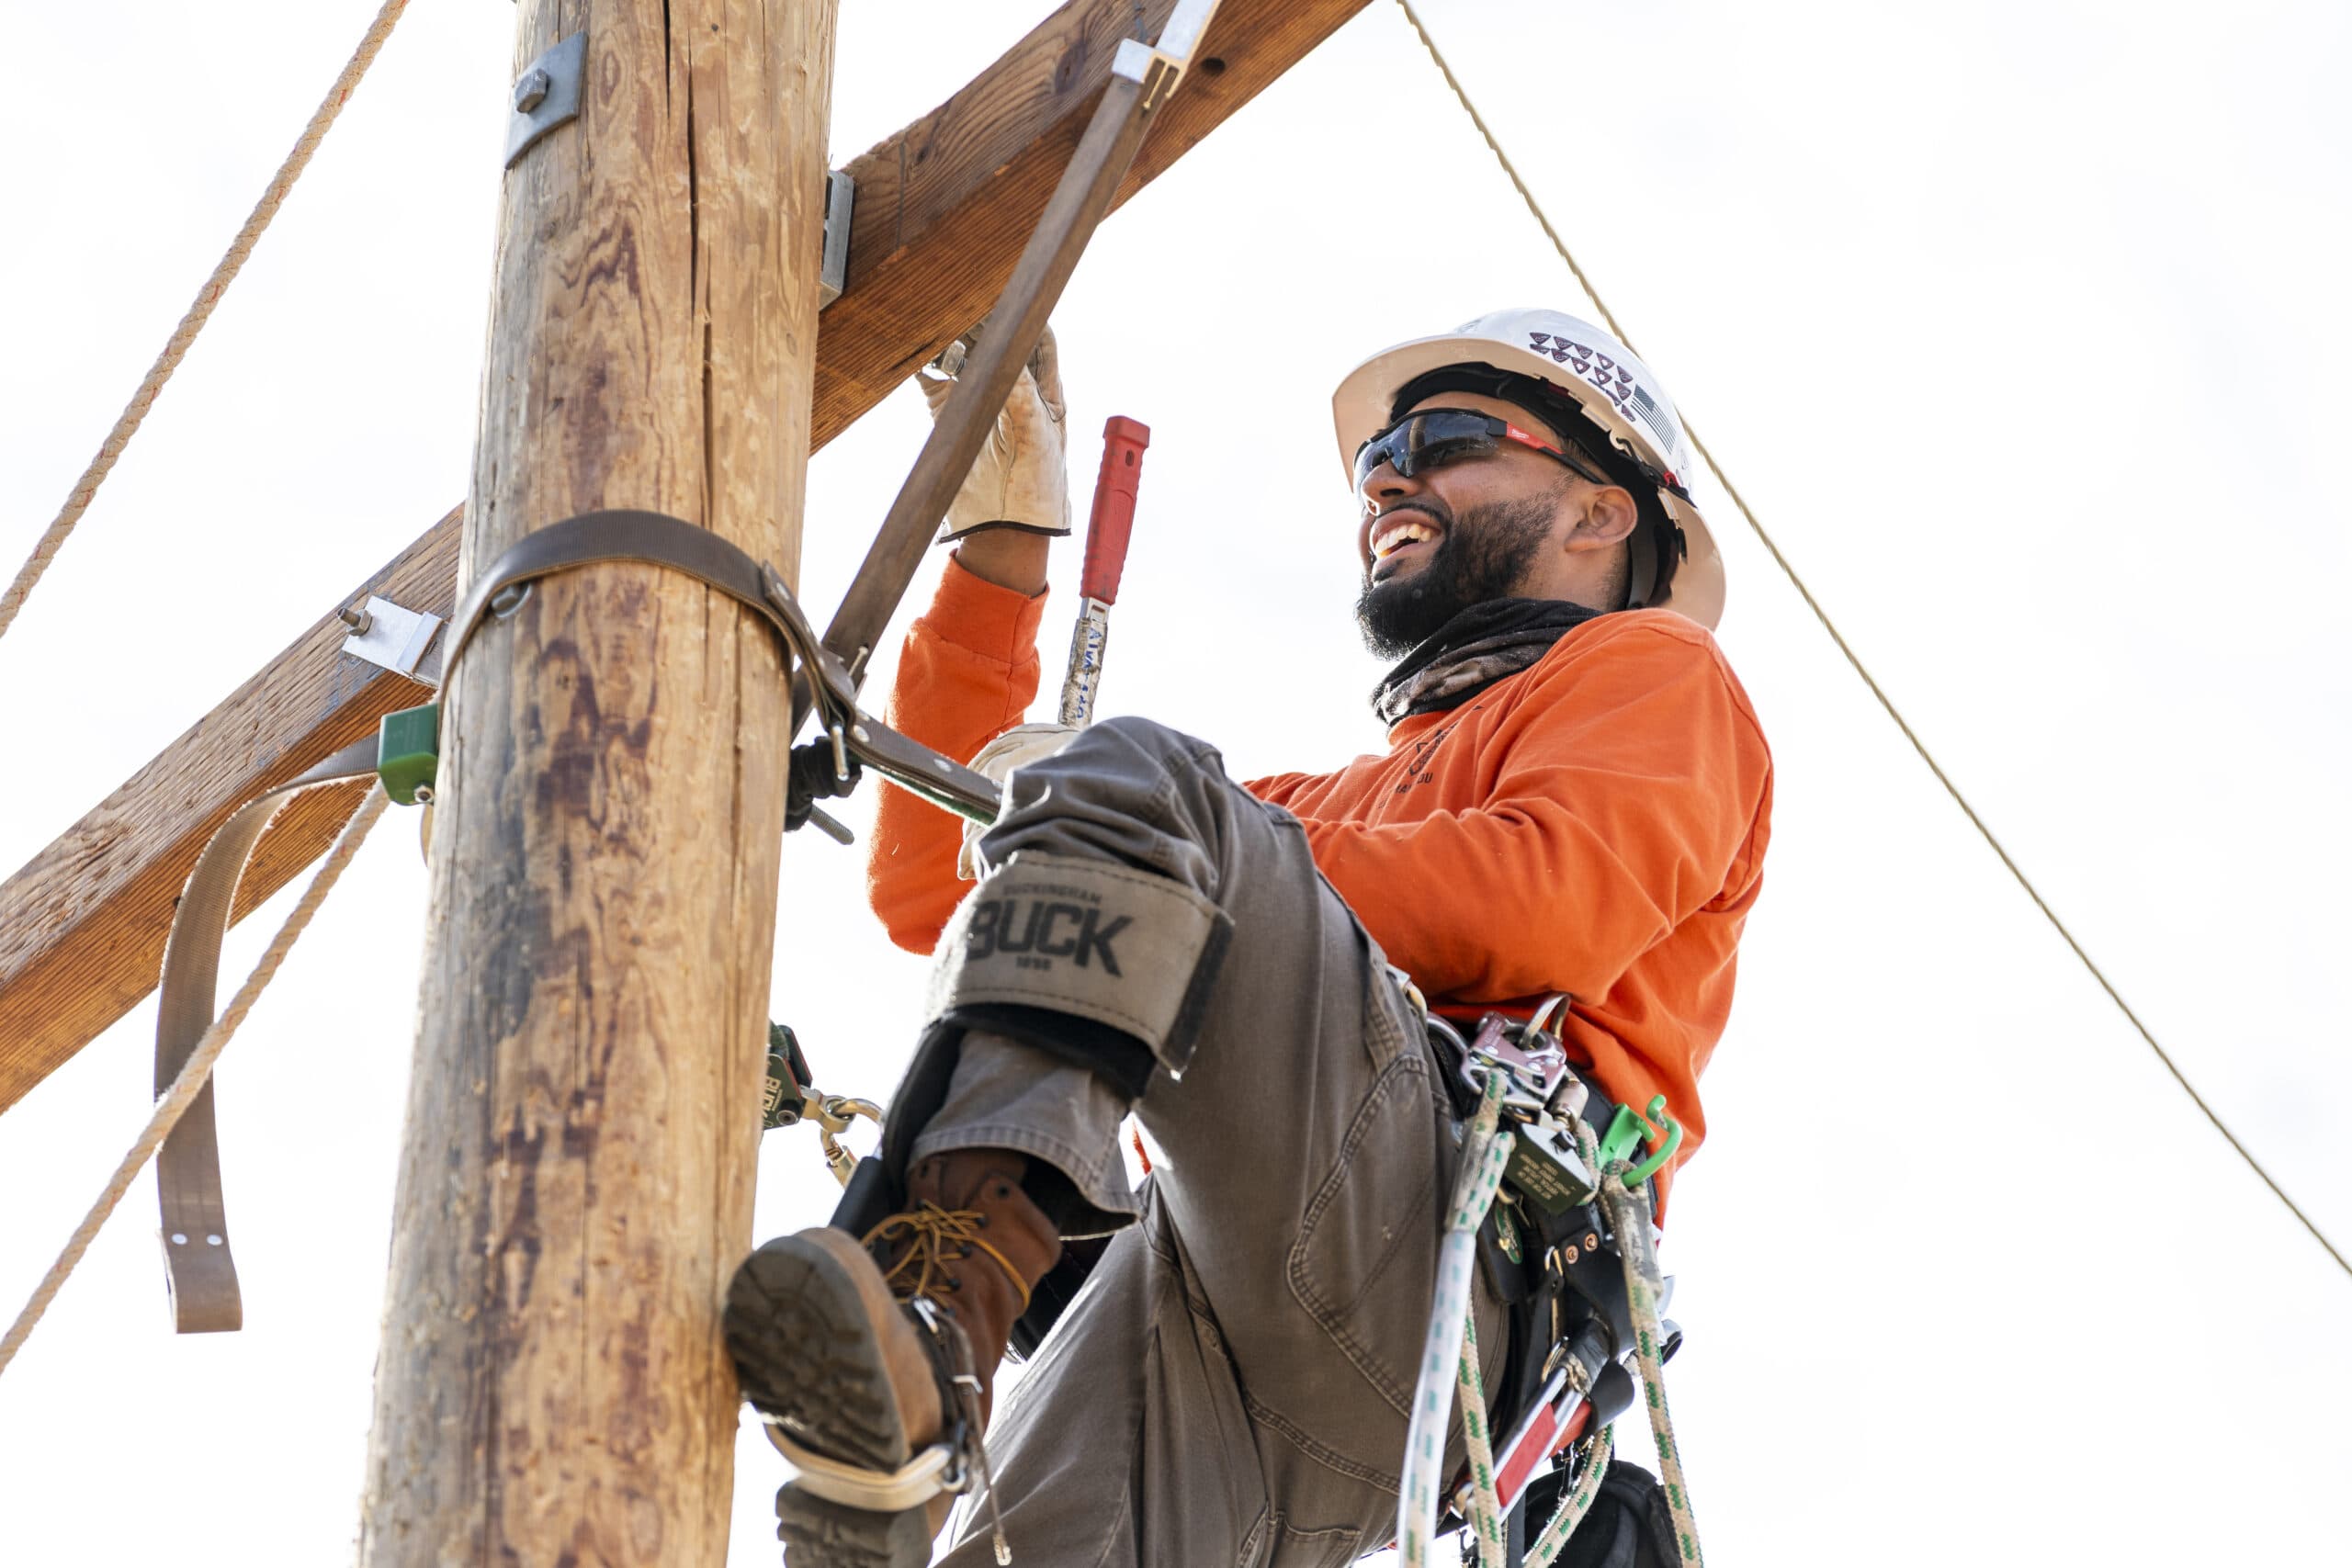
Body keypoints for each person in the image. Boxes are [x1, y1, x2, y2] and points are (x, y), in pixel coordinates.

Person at [723, 310, 1775, 1568]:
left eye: (1440, 439)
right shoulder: (1309, 811)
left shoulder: (1655, 675)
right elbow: (936, 896)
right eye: (1378, 454)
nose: (1388, 474)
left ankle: (949, 1304)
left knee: (1150, 786)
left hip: (1448, 1264)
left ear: (1601, 512)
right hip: (1246, 1319)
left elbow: (1533, 908)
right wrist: (1001, 542)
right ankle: (923, 1398)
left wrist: (1162, 829)